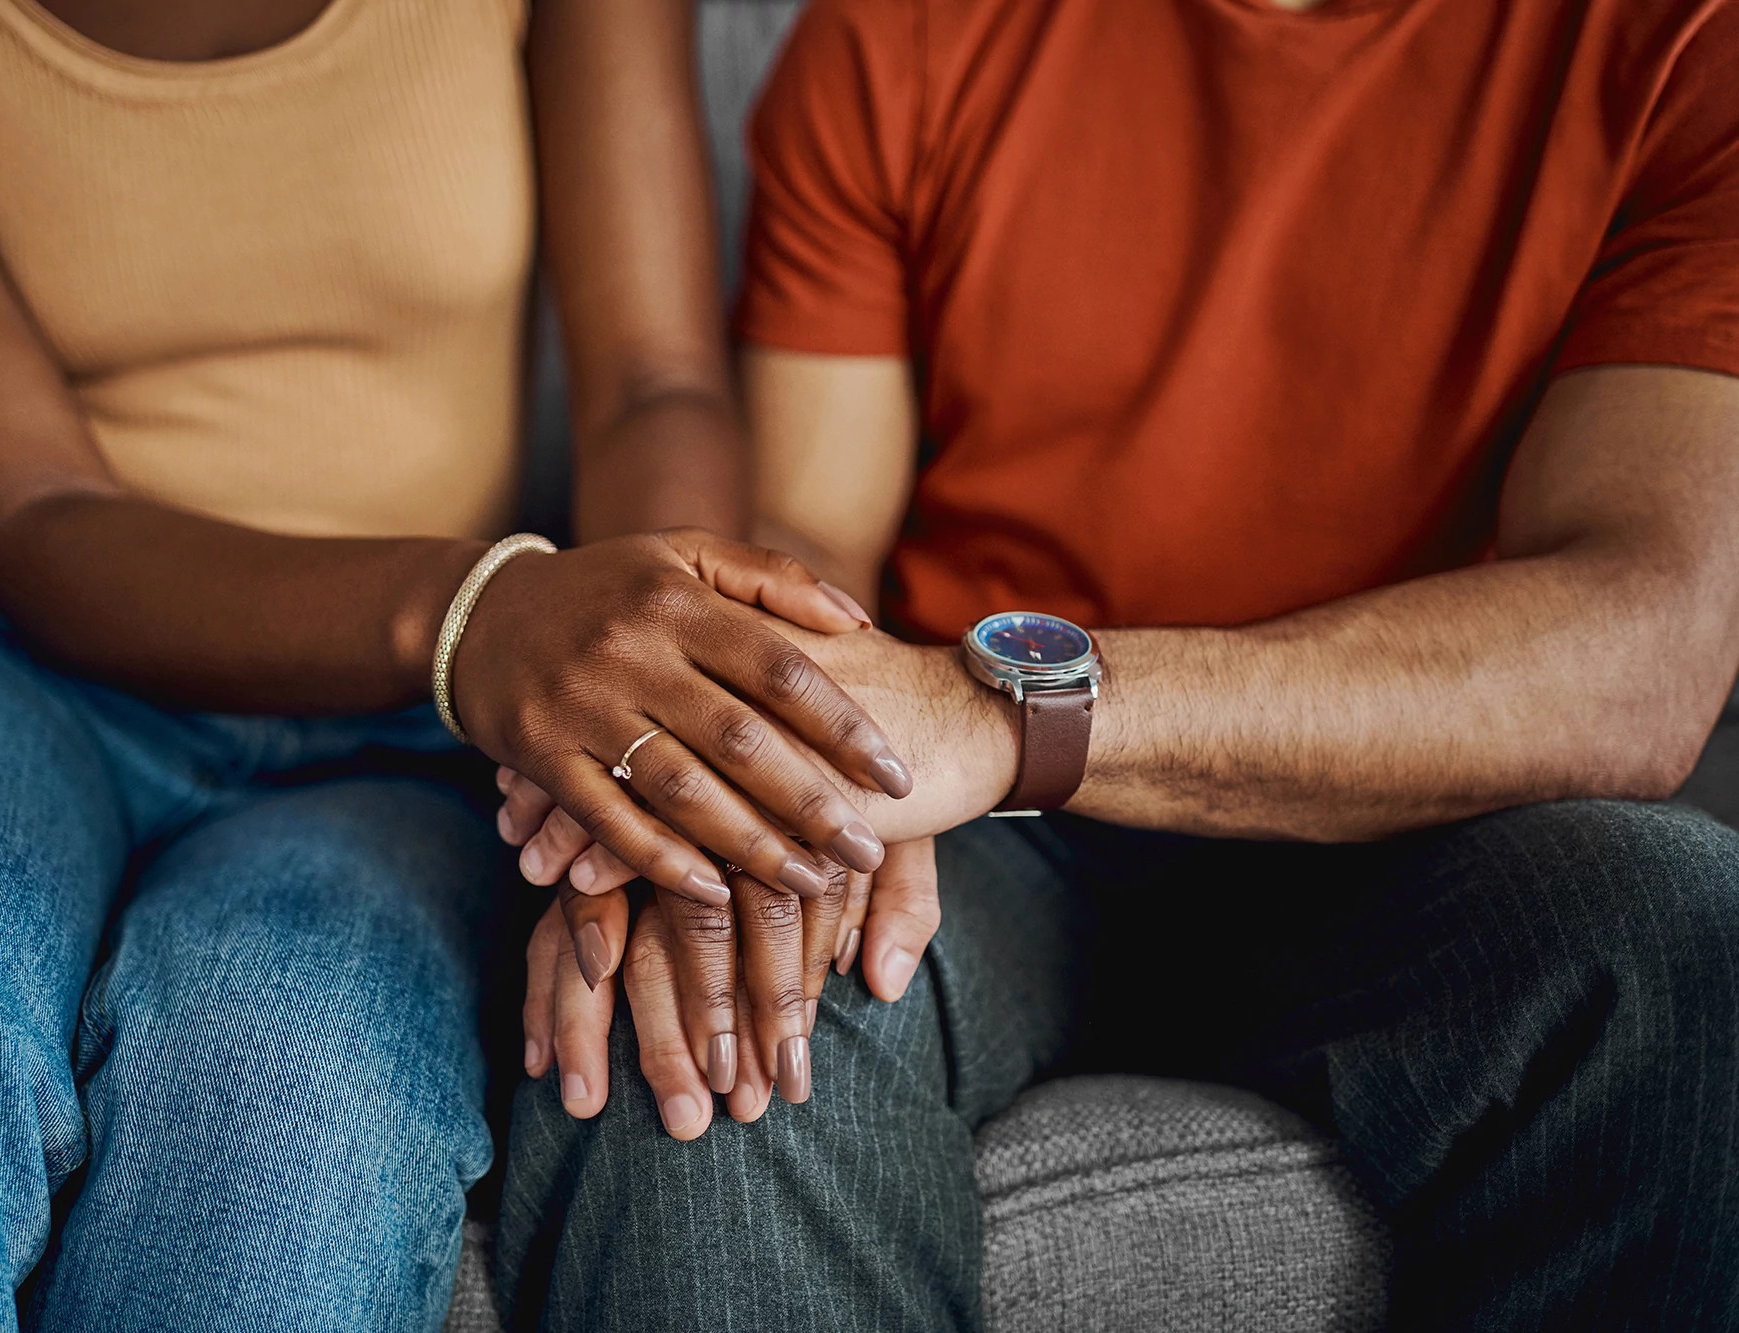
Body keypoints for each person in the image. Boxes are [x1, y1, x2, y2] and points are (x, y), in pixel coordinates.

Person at [496, 0, 1739, 1326]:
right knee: (709, 1013)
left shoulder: (1681, 44)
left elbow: (1640, 642)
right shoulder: (897, 34)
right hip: (982, 837)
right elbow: (812, 536)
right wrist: (776, 753)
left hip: (1425, 817)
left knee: (1676, 931)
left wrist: (993, 713)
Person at [0, 0, 913, 1326]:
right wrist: (474, 612)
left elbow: (653, 383)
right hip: (1, 659)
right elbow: (33, 514)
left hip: (413, 731)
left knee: (287, 1079)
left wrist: (648, 739)